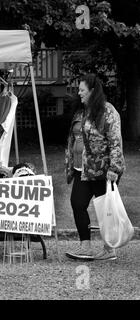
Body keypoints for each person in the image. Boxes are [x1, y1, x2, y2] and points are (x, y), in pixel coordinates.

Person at [65, 73, 125, 261]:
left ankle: (109, 249)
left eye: (82, 90)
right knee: (77, 203)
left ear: (92, 91)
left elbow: (115, 141)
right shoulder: (83, 112)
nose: (79, 93)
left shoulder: (108, 112)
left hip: (103, 171)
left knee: (104, 210)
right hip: (83, 169)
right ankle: (86, 246)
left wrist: (114, 168)